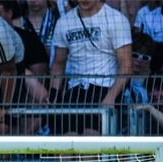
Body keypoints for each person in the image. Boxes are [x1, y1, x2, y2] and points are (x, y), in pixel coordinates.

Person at [50, 0, 132, 135]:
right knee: (66, 142)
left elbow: (127, 65)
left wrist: (111, 97)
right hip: (74, 90)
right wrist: (54, 94)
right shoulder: (64, 22)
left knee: (90, 141)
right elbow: (59, 63)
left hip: (104, 87)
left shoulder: (116, 20)